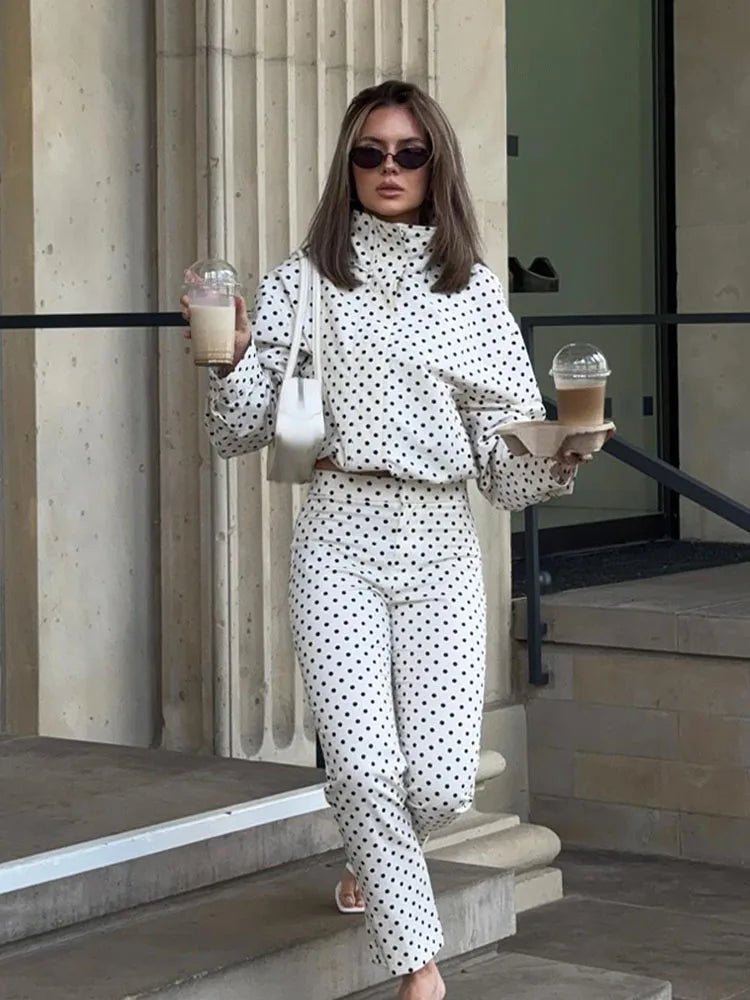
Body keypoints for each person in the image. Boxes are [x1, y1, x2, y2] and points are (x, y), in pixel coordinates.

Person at [183, 79, 593, 1000]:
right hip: (338, 535)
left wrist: (560, 459)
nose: (390, 168)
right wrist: (230, 355)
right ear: (348, 166)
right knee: (365, 764)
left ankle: (374, 858)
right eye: (371, 153)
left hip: (444, 541)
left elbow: (503, 464)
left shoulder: (474, 292)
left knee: (443, 787)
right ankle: (420, 967)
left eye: (409, 153)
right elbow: (237, 430)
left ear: (435, 162)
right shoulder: (304, 279)